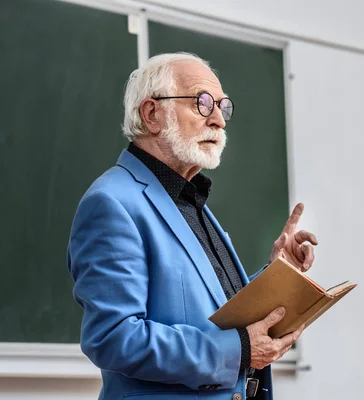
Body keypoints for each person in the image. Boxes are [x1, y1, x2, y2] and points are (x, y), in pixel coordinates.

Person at [67, 52, 318, 400]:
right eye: (202, 103)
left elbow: (217, 314)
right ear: (152, 114)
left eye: (222, 106)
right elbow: (114, 338)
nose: (219, 120)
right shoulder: (112, 203)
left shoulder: (187, 198)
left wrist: (278, 277)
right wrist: (239, 352)